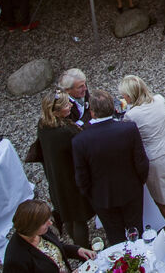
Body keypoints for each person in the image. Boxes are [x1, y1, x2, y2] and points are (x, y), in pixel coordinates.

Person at [118, 75, 165, 247]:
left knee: (162, 200)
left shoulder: (131, 115)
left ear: (130, 96)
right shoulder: (160, 100)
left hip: (155, 157)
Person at [71, 89, 149, 245]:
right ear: (113, 108)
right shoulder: (129, 129)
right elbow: (141, 162)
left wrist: (91, 195)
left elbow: (82, 177)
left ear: (92, 113)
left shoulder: (80, 140)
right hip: (131, 191)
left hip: (102, 197)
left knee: (115, 236)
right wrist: (138, 182)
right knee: (136, 231)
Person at [36, 91, 93, 248]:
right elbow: (83, 146)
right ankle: (84, 250)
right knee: (79, 217)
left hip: (56, 179)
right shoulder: (65, 132)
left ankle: (76, 242)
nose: (71, 106)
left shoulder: (43, 125)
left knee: (67, 214)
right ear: (56, 111)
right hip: (70, 180)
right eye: (67, 104)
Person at [3, 199, 95, 273]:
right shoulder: (15, 261)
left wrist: (78, 250)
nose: (50, 223)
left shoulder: (40, 232)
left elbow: (55, 248)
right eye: (44, 222)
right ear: (32, 227)